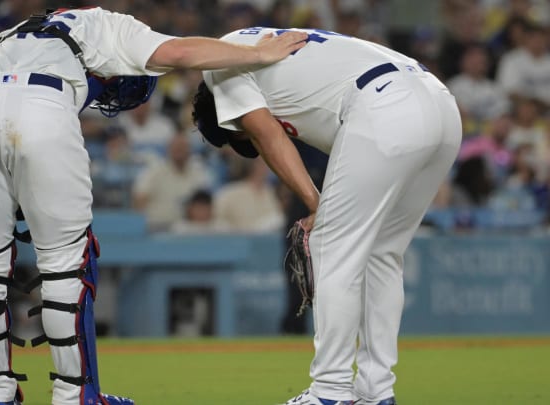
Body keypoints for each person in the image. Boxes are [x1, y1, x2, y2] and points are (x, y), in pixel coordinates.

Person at [0, 7, 307, 405]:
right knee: (64, 265)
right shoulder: (108, 22)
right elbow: (180, 54)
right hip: (45, 106)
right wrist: (258, 55)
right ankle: (74, 396)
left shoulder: (10, 34)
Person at [192, 26, 461, 405]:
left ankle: (329, 392)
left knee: (331, 245)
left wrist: (317, 204)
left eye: (239, 136)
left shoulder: (219, 65)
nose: (247, 137)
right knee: (382, 254)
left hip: (384, 104)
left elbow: (268, 135)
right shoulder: (260, 44)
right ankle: (376, 391)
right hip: (441, 103)